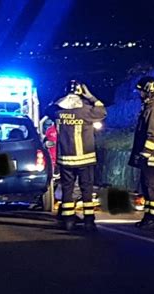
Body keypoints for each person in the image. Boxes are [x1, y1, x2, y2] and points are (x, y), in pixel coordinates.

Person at [45, 80, 106, 231]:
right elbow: (102, 111)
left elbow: (47, 109)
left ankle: (68, 221)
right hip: (85, 158)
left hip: (65, 158)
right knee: (86, 189)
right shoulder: (86, 111)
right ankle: (89, 221)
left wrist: (60, 95)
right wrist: (91, 96)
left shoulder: (57, 112)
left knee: (67, 190)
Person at [129, 76, 154, 237]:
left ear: (146, 90)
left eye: (140, 91)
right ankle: (148, 216)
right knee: (146, 187)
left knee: (153, 188)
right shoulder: (150, 106)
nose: (139, 94)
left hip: (153, 157)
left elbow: (153, 135)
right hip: (150, 157)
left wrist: (144, 154)